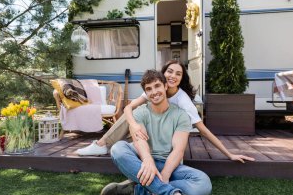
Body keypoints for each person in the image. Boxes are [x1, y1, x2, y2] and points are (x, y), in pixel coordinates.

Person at [77, 60, 255, 163]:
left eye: (178, 74)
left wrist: (229, 154)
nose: (172, 76)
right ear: (163, 74)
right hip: (148, 132)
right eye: (170, 71)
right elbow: (129, 107)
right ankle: (102, 145)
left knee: (135, 125)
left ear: (181, 79)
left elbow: (203, 130)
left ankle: (105, 145)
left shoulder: (183, 100)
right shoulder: (156, 87)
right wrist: (134, 125)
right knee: (135, 114)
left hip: (167, 143)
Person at [100, 70, 211, 195]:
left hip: (170, 166)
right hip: (144, 163)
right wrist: (147, 161)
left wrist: (164, 176)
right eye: (149, 89)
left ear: (166, 86)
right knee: (118, 149)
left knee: (204, 184)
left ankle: (136, 190)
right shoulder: (140, 113)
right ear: (145, 93)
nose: (154, 92)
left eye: (157, 86)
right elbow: (140, 142)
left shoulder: (181, 115)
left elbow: (178, 151)